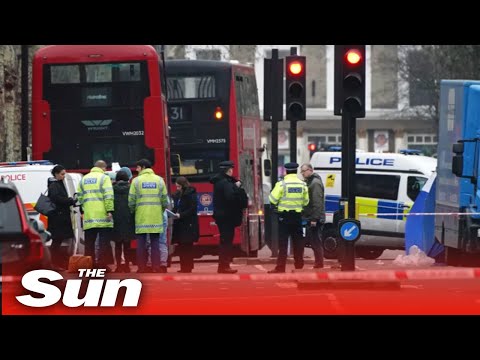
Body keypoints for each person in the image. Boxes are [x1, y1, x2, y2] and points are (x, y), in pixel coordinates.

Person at [129, 158, 169, 273]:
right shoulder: (160, 180)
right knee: (155, 242)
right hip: (156, 216)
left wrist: (134, 210)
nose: (136, 170)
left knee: (141, 243)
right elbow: (164, 200)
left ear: (143, 167)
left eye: (137, 167)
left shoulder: (136, 181)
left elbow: (131, 199)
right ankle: (156, 267)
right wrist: (160, 210)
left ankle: (141, 268)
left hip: (141, 216)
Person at [268, 162, 309, 273]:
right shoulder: (302, 185)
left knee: (283, 244)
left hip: (284, 218)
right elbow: (306, 202)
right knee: (298, 243)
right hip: (297, 217)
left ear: (286, 171)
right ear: (296, 171)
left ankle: (280, 267)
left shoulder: (282, 184)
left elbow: (272, 199)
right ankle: (299, 265)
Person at [77, 160, 114, 270]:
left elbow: (80, 197)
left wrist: (84, 210)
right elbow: (108, 195)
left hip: (89, 216)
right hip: (102, 215)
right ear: (103, 168)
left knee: (89, 243)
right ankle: (102, 265)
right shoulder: (104, 178)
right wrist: (109, 210)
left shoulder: (84, 179)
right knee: (103, 242)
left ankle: (89, 265)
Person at [210, 160, 245, 274]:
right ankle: (224, 266)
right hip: (227, 217)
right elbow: (231, 198)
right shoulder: (225, 183)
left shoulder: (219, 182)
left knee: (225, 241)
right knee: (227, 242)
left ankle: (223, 266)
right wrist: (237, 188)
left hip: (222, 216)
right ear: (229, 170)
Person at [47, 164, 76, 271]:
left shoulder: (57, 184)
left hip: (59, 218)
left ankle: (57, 263)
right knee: (57, 242)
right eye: (62, 174)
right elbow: (57, 199)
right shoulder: (54, 185)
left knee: (58, 241)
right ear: (56, 174)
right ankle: (54, 263)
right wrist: (69, 200)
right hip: (58, 219)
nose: (64, 176)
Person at [172, 176, 199, 273]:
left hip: (188, 223)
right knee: (181, 246)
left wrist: (181, 214)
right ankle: (184, 266)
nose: (177, 188)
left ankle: (187, 267)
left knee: (187, 246)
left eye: (179, 186)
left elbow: (192, 209)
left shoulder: (190, 194)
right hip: (180, 223)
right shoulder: (177, 195)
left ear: (183, 185)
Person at [300, 163, 325, 269]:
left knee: (316, 241)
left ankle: (319, 263)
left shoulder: (315, 183)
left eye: (304, 171)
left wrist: (314, 218)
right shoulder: (310, 182)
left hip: (315, 218)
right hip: (312, 216)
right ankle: (318, 263)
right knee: (314, 241)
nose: (302, 173)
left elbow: (317, 202)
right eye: (301, 172)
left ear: (310, 170)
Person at [112, 170, 134, 273]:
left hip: (116, 218)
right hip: (128, 218)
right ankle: (127, 266)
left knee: (117, 244)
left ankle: (118, 266)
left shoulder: (112, 188)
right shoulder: (131, 188)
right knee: (127, 245)